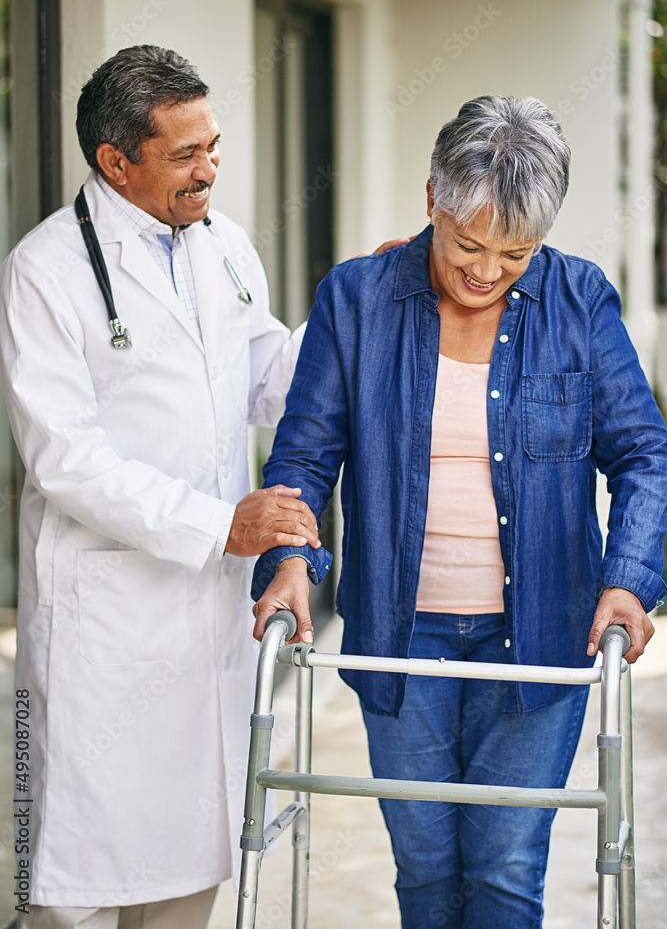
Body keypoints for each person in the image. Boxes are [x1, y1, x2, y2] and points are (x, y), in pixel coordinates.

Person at [251, 95, 667, 928]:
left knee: (507, 870)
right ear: (432, 200)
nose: (487, 270)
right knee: (426, 871)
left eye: (516, 253)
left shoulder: (578, 302)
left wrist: (627, 580)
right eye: (469, 243)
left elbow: (642, 454)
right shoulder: (358, 297)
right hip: (400, 639)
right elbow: (305, 452)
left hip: (540, 635)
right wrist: (291, 561)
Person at [0, 45, 325, 929]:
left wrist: (352, 315)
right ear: (116, 161)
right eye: (185, 154)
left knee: (190, 879)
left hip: (199, 626)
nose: (208, 168)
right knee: (76, 895)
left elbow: (269, 378)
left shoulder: (223, 246)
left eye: (212, 146)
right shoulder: (48, 270)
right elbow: (64, 458)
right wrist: (221, 522)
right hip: (103, 628)